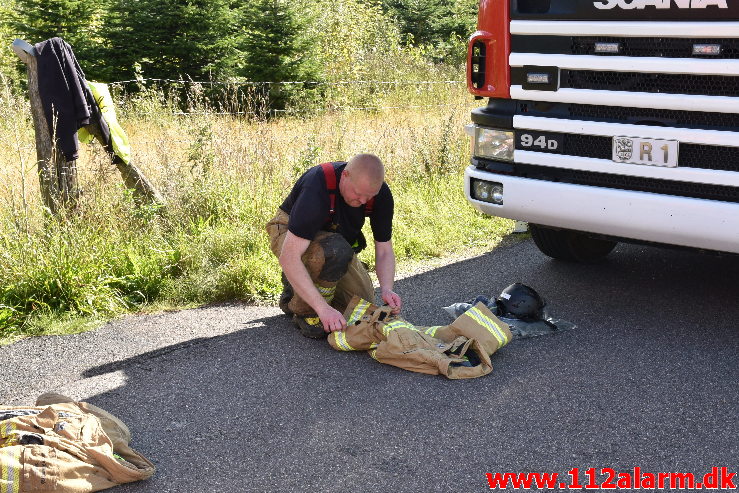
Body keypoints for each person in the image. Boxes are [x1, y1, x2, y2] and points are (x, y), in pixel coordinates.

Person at [266, 153, 402, 339]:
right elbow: (289, 257)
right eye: (358, 194)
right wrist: (323, 309)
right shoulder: (317, 187)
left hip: (335, 243)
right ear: (345, 176)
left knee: (362, 308)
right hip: (289, 232)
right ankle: (301, 307)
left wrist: (387, 289)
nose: (363, 201)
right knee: (334, 250)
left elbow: (384, 249)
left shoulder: (380, 195)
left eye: (369, 197)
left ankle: (304, 285)